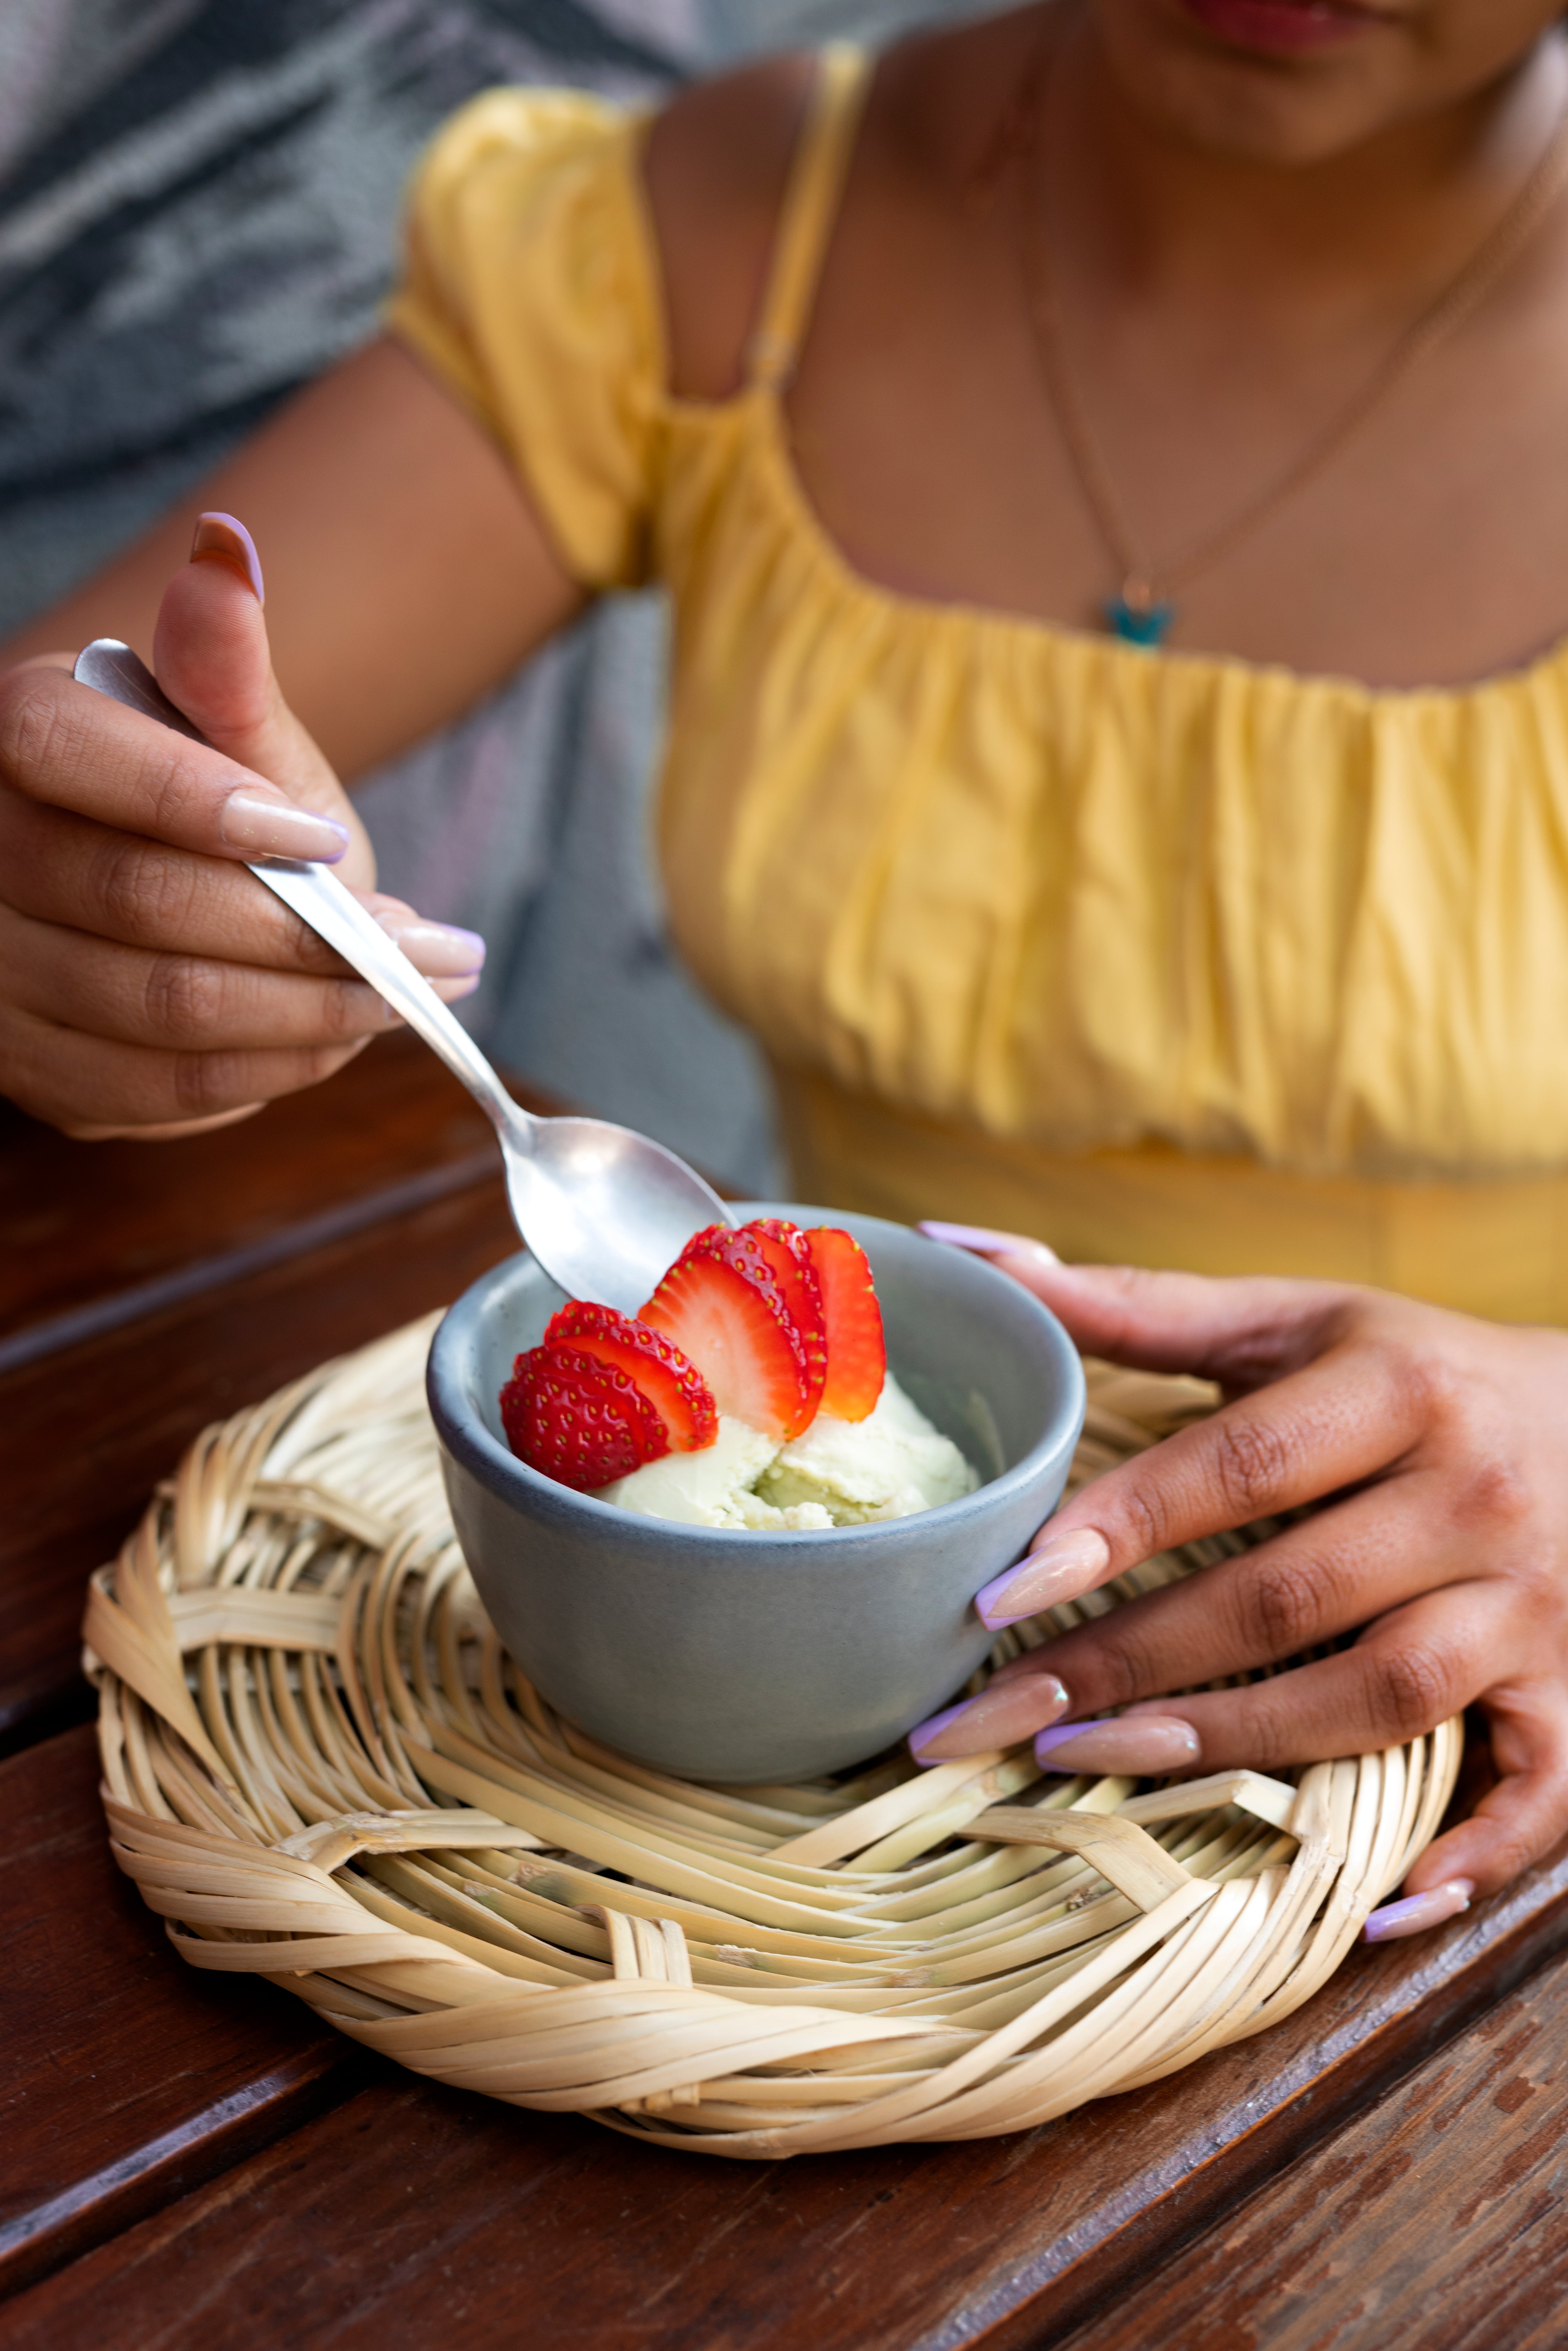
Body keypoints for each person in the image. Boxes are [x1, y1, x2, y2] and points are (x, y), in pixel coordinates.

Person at [4, 0, 1568, 1936]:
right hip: (832, 1787)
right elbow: (101, 759)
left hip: (1478, 1750)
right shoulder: (723, 233)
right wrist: (80, 898)